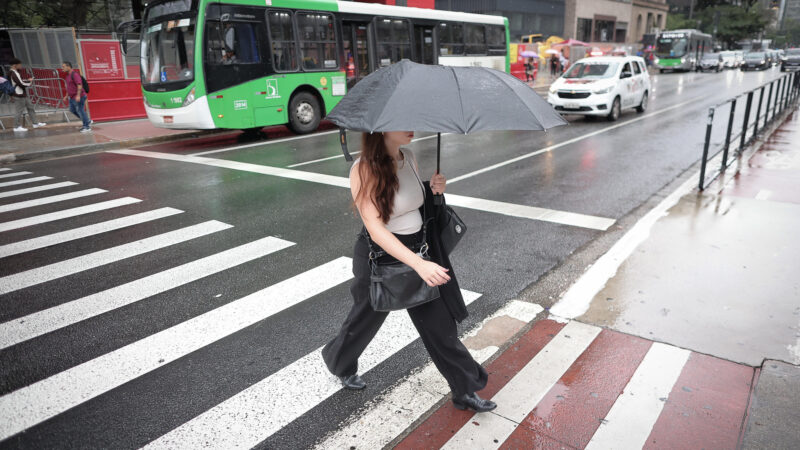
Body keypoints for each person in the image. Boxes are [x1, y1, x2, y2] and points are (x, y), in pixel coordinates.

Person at [322, 131, 496, 413]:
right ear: (381, 126)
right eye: (402, 122)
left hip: (419, 251)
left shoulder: (409, 157)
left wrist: (433, 190)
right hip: (379, 257)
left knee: (440, 326)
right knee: (364, 319)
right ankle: (340, 362)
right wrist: (418, 264)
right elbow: (375, 228)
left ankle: (464, 390)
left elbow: (412, 203)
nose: (412, 127)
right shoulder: (363, 169)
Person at [8, 58, 46, 132]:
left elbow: (20, 81)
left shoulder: (15, 72)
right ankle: (16, 127)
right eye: (19, 64)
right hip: (18, 94)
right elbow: (21, 83)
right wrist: (29, 82)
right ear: (15, 65)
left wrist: (27, 80)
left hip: (22, 94)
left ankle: (35, 123)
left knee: (30, 107)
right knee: (19, 111)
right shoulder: (13, 73)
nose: (21, 66)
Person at [61, 61, 92, 133]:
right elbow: (69, 87)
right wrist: (66, 96)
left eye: (63, 66)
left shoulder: (74, 75)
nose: (62, 68)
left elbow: (79, 85)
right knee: (72, 110)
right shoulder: (68, 76)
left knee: (80, 110)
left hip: (79, 96)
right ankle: (86, 120)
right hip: (72, 97)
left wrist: (78, 95)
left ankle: (86, 126)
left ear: (68, 67)